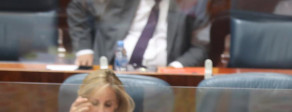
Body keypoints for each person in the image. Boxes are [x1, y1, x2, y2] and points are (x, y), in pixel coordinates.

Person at [67, 0, 211, 69]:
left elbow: (201, 46)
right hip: (112, 73)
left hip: (163, 79)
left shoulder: (193, 4)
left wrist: (175, 68)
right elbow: (78, 6)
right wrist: (84, 49)